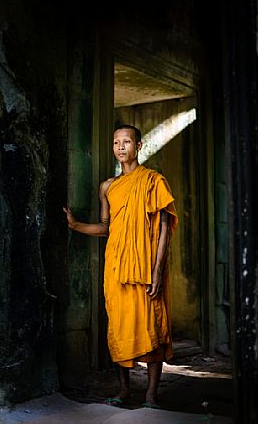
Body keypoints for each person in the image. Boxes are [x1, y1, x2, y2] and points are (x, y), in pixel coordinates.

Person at [63, 124, 178, 409]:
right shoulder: (108, 187)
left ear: (139, 146)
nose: (121, 147)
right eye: (116, 142)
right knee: (119, 329)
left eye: (127, 141)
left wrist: (157, 272)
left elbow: (164, 228)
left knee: (151, 327)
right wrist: (76, 225)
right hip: (117, 269)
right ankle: (124, 391)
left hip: (147, 268)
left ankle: (151, 395)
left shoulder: (154, 181)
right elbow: (107, 228)